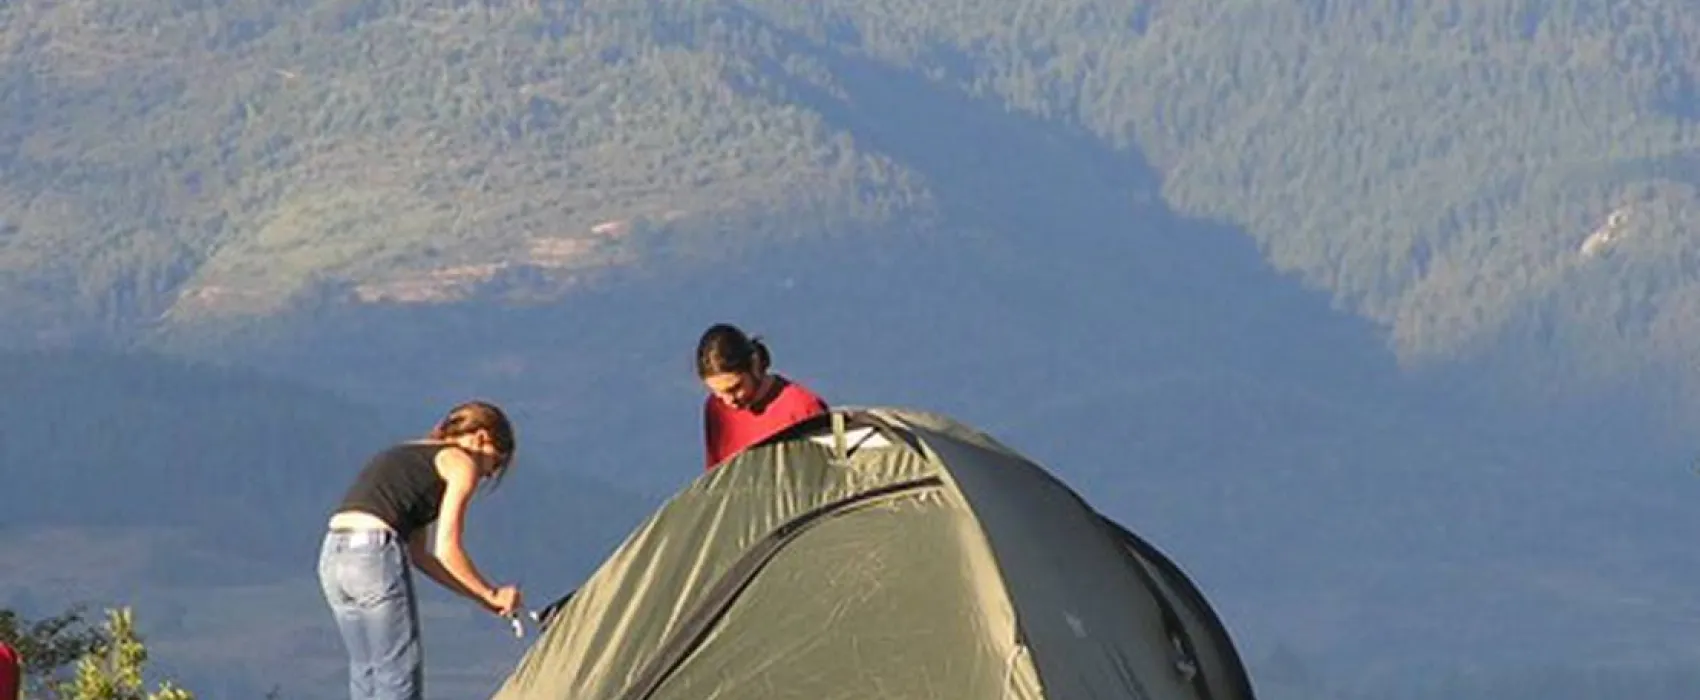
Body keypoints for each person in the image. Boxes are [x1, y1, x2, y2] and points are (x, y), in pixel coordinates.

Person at [318, 400, 523, 700]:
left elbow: (422, 555)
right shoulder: (461, 462)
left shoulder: (413, 457)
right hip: (374, 554)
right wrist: (492, 593)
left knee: (366, 671)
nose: (489, 474)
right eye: (496, 461)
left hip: (334, 557)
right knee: (397, 673)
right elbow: (447, 547)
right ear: (480, 438)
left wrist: (481, 597)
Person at [696, 323, 829, 469]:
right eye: (718, 393)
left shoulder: (804, 408)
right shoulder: (716, 408)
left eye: (735, 388)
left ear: (754, 364)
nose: (729, 400)